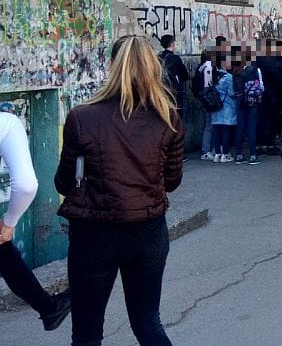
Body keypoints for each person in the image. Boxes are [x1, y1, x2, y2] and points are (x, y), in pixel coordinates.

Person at [55, 35, 184, 345]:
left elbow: (63, 181)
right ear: (155, 68)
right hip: (148, 233)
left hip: (94, 235)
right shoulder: (168, 118)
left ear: (111, 66)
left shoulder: (81, 118)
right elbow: (172, 182)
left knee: (87, 332)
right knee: (147, 323)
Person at [0, 108, 71, 332]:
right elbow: (26, 185)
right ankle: (49, 308)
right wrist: (10, 222)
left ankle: (49, 307)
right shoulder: (6, 123)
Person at [232, 45, 263, 165]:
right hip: (252, 101)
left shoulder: (236, 70)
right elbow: (259, 86)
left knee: (239, 129)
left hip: (240, 101)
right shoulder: (253, 69)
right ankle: (253, 156)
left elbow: (233, 89)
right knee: (251, 129)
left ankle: (239, 155)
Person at [211, 49, 237, 163]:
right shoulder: (229, 77)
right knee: (226, 131)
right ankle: (225, 154)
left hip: (214, 106)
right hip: (226, 106)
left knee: (216, 131)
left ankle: (217, 154)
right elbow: (231, 93)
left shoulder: (214, 76)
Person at [158, 34, 189, 116]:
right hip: (174, 92)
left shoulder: (158, 58)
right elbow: (185, 75)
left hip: (161, 91)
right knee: (177, 116)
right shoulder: (175, 58)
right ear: (172, 43)